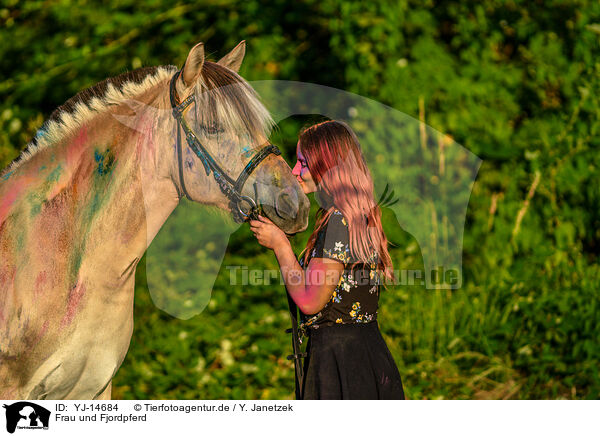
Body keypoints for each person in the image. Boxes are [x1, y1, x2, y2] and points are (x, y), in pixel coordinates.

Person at [250, 120, 405, 400]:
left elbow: (311, 301)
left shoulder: (337, 220)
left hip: (338, 363)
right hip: (367, 356)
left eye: (303, 163)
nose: (295, 172)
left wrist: (280, 244)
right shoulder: (359, 216)